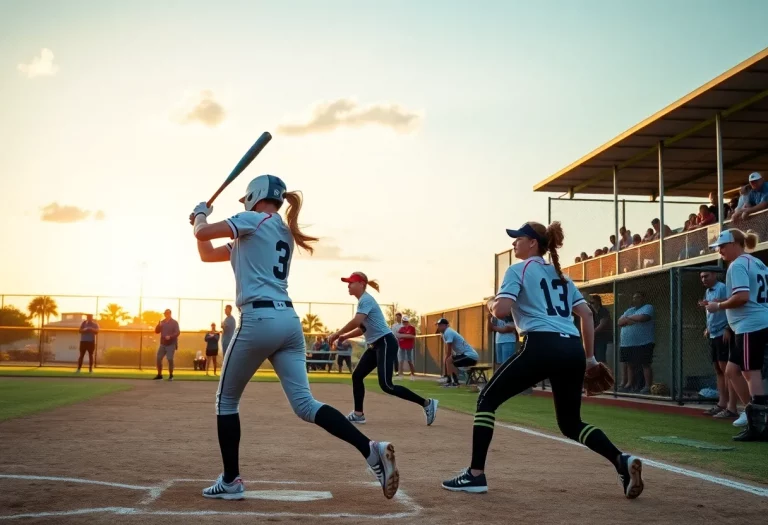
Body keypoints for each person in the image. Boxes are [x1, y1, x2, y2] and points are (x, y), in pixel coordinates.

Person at [190, 174, 399, 500]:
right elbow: (206, 252)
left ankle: (231, 481)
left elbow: (204, 232)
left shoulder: (251, 220)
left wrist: (201, 215)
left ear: (253, 196)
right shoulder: (279, 229)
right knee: (305, 404)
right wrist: (199, 222)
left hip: (258, 318)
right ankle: (370, 449)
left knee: (226, 401)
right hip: (288, 321)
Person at [441, 221, 643, 499]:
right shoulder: (562, 275)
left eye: (518, 239)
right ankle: (621, 460)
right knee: (571, 423)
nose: (514, 244)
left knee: (486, 400)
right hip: (572, 347)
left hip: (541, 344)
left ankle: (475, 475)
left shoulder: (517, 269)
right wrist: (590, 358)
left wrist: (489, 302)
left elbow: (500, 310)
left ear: (533, 243)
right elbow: (586, 315)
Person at [328, 272, 438, 425]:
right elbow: (362, 328)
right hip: (376, 345)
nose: (348, 285)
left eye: (351, 282)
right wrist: (345, 337)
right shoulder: (363, 302)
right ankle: (358, 414)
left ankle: (427, 403)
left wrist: (338, 333)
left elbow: (357, 321)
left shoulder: (366, 300)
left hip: (385, 342)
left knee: (386, 385)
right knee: (357, 375)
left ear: (361, 284)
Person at [705, 229, 768, 441]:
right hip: (750, 323)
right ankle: (750, 414)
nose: (719, 250)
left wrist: (718, 306)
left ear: (735, 243)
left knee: (751, 372)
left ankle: (760, 426)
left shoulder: (738, 264)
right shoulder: (757, 262)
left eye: (722, 246)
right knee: (732, 370)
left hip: (751, 324)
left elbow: (741, 296)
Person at [698, 271, 745, 420]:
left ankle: (732, 407)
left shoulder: (723, 287)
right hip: (713, 333)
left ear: (714, 276)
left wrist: (727, 328)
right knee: (718, 369)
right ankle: (722, 403)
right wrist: (708, 327)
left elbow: (732, 304)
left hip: (723, 333)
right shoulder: (707, 291)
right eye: (701, 277)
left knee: (728, 371)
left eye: (706, 276)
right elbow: (713, 310)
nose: (703, 279)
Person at [617, 293, 655, 394]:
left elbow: (643, 318)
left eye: (638, 297)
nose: (635, 299)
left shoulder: (648, 307)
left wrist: (628, 319)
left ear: (643, 298)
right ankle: (629, 385)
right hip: (627, 343)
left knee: (645, 364)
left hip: (644, 342)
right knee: (629, 364)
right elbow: (620, 322)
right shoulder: (630, 310)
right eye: (633, 297)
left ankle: (647, 386)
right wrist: (633, 318)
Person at [436, 319, 479, 387]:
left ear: (446, 325)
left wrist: (447, 358)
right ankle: (452, 380)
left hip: (470, 356)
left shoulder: (448, 332)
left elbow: (449, 349)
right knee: (449, 361)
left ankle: (452, 381)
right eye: (438, 325)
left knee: (449, 361)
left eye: (440, 325)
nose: (438, 326)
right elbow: (448, 349)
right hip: (466, 355)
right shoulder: (445, 333)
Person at [154, 309, 180, 381]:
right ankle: (159, 375)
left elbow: (177, 332)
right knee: (158, 358)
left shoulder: (174, 323)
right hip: (163, 344)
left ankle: (171, 375)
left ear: (170, 314)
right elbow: (156, 331)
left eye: (167, 313)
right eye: (165, 314)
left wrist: (170, 336)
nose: (166, 315)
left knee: (170, 359)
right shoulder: (162, 322)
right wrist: (159, 326)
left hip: (171, 344)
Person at [590, 295, 612, 364]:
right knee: (593, 359)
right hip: (595, 339)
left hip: (602, 339)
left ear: (598, 302)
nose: (591, 304)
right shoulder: (592, 312)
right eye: (590, 303)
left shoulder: (603, 310)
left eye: (592, 302)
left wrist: (591, 333)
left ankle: (604, 374)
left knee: (601, 360)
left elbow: (602, 324)